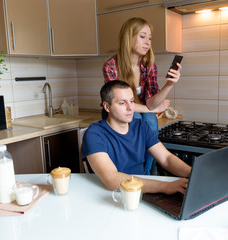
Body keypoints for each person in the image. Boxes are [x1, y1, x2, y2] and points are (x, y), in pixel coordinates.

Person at [102, 17, 182, 175]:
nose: (148, 42)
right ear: (128, 37)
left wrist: (169, 84)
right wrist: (150, 109)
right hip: (117, 110)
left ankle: (145, 173)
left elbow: (152, 103)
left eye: (150, 38)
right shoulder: (110, 66)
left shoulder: (149, 66)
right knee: (137, 118)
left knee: (150, 122)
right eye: (142, 36)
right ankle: (134, 171)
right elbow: (120, 103)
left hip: (142, 110)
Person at [82, 80, 191, 194]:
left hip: (144, 190)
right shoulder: (95, 133)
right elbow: (112, 179)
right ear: (107, 107)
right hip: (113, 195)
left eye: (132, 101)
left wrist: (192, 173)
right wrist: (165, 187)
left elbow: (166, 159)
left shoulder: (140, 126)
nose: (130, 108)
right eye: (122, 103)